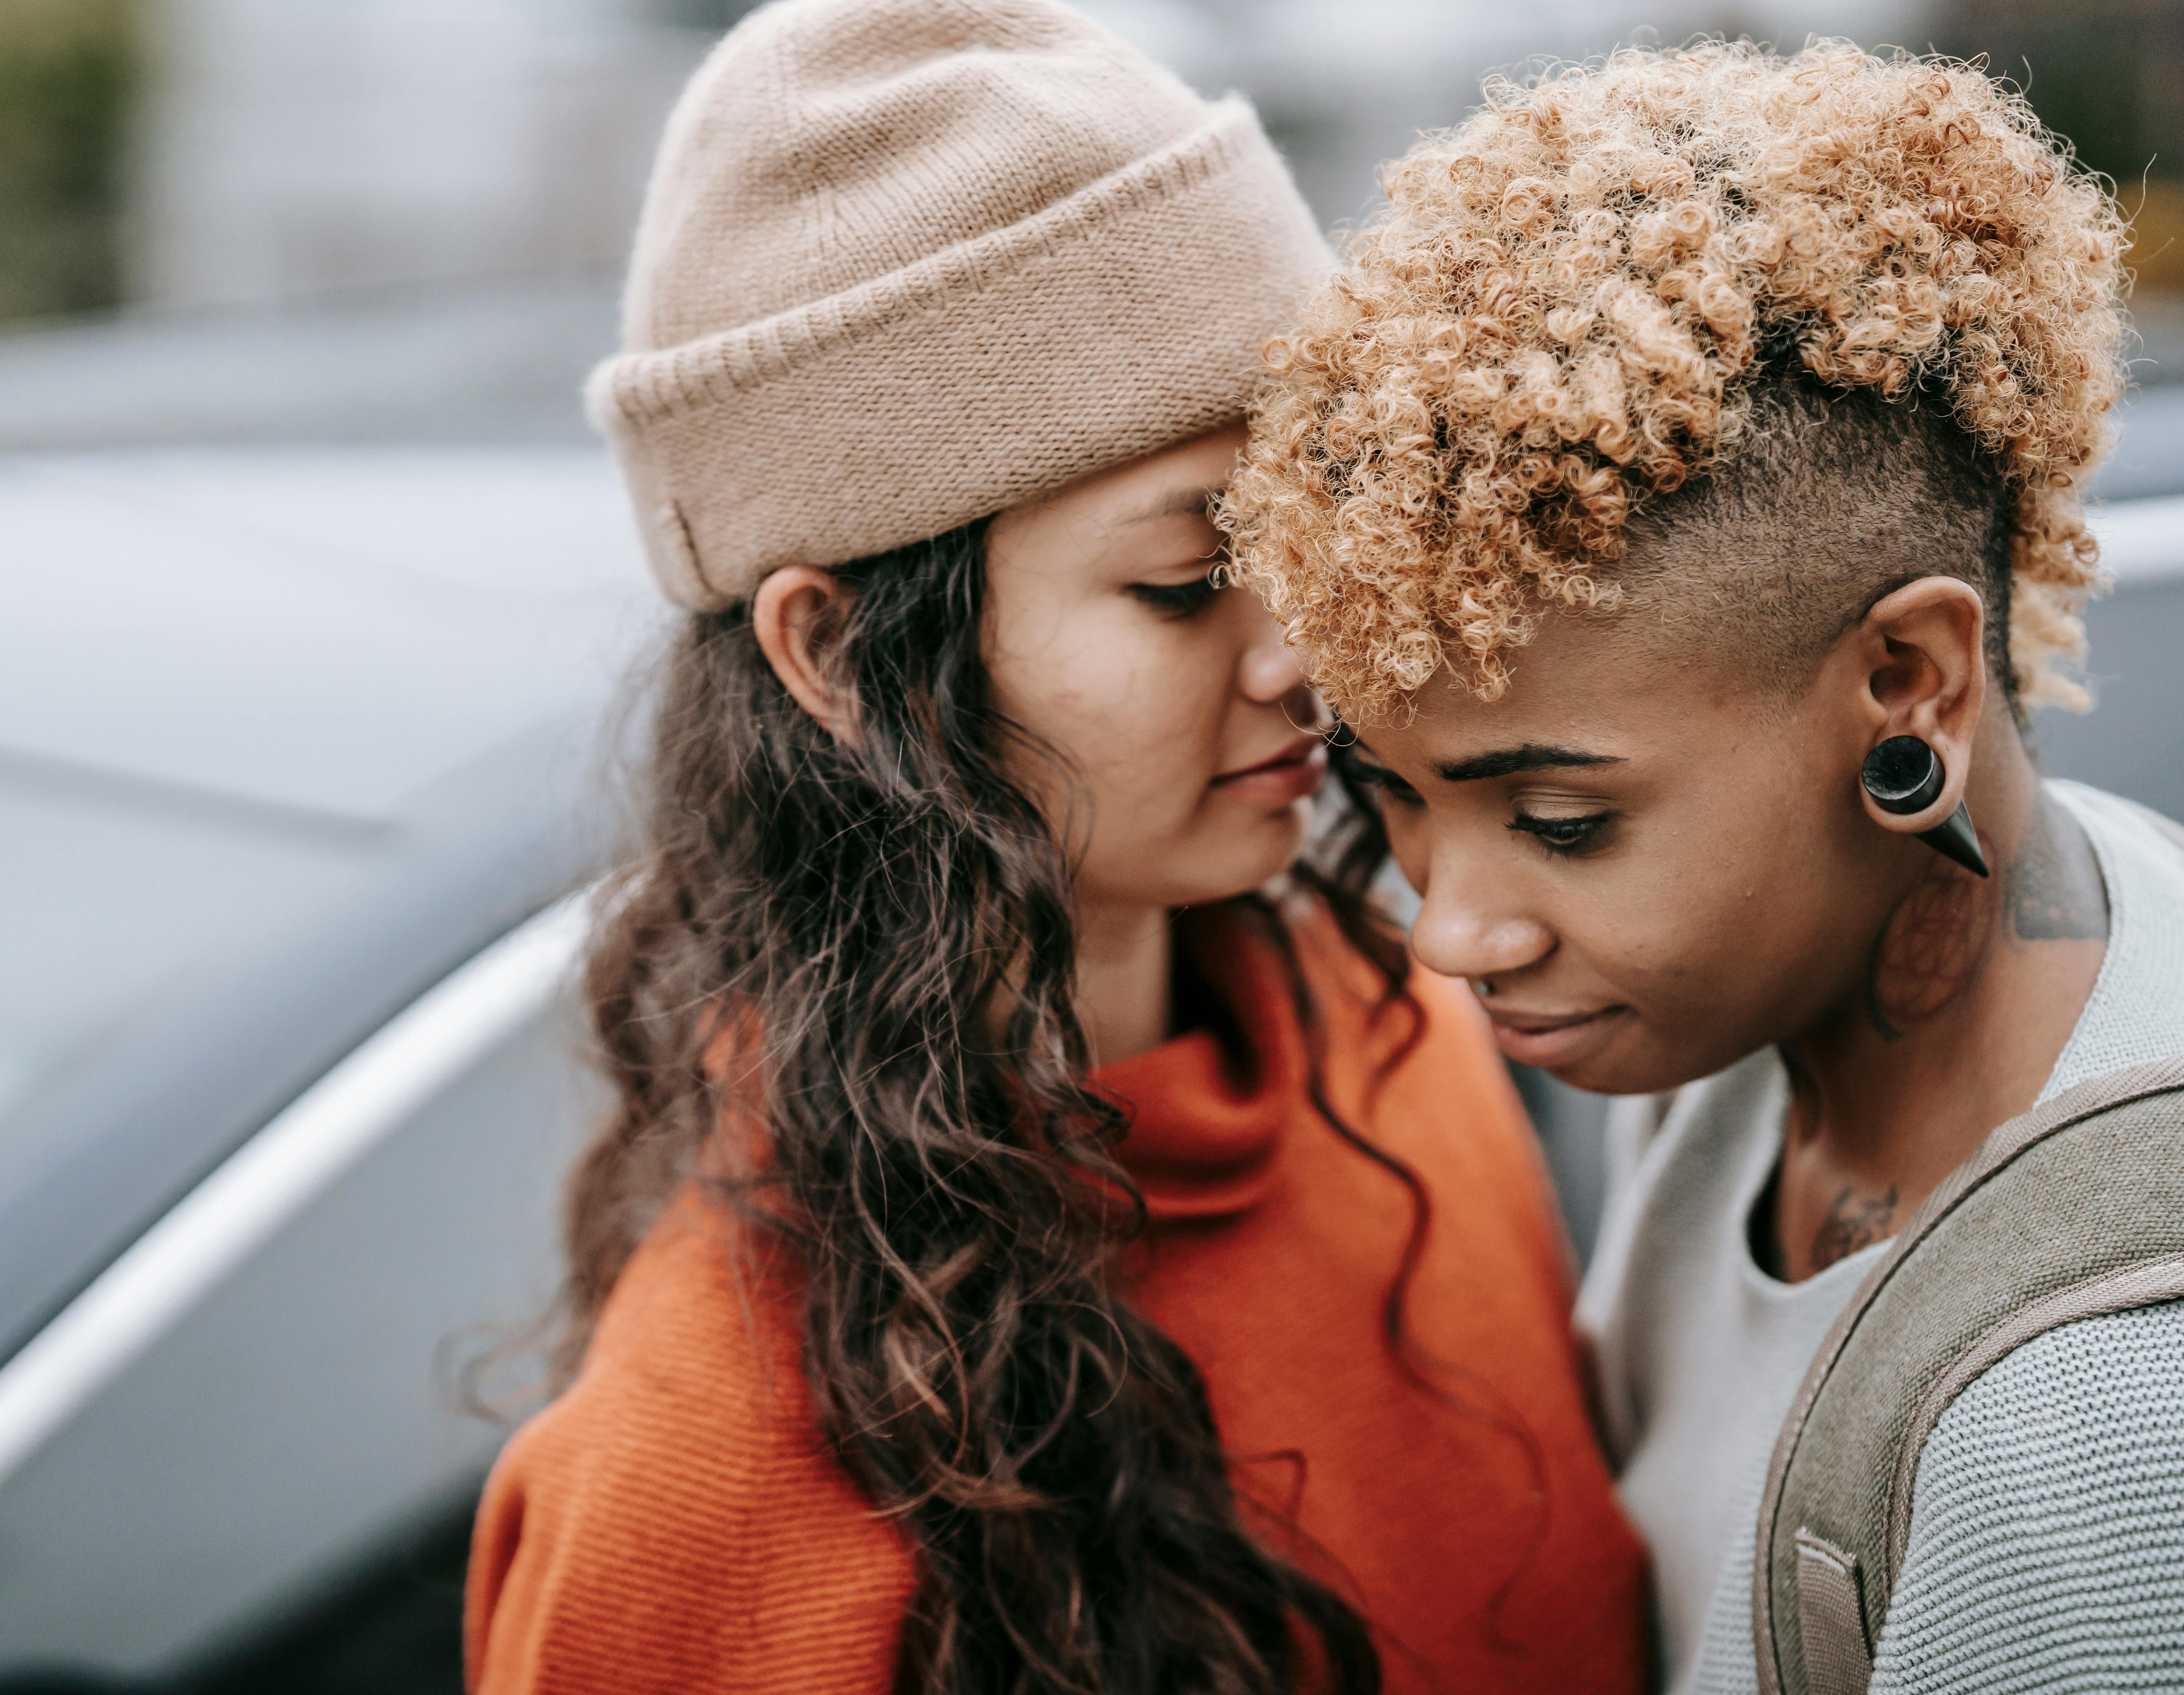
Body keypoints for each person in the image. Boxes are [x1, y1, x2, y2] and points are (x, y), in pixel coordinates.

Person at [461, 3, 1650, 1692]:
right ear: (834, 656)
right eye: (1184, 577)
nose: (1301, 640)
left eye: (1312, 526)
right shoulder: (688, 1504)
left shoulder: (1408, 1048)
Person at [1221, 38, 2184, 1695]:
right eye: (1388, 797)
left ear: (1908, 685)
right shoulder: (1740, 1006)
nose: (1450, 931)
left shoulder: (2092, 1423)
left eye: (1564, 821)